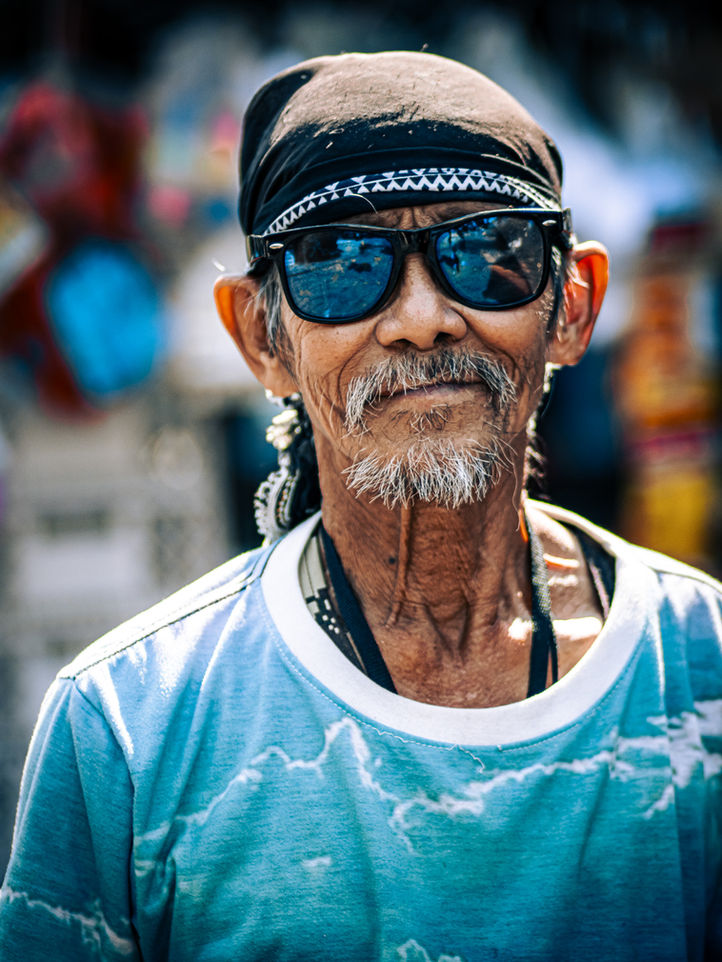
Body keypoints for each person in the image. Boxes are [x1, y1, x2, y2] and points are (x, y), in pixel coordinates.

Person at [1, 51, 721, 962]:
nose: (421, 317)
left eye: (486, 250)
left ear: (572, 306)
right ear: (262, 339)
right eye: (340, 262)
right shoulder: (128, 728)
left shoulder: (703, 666)